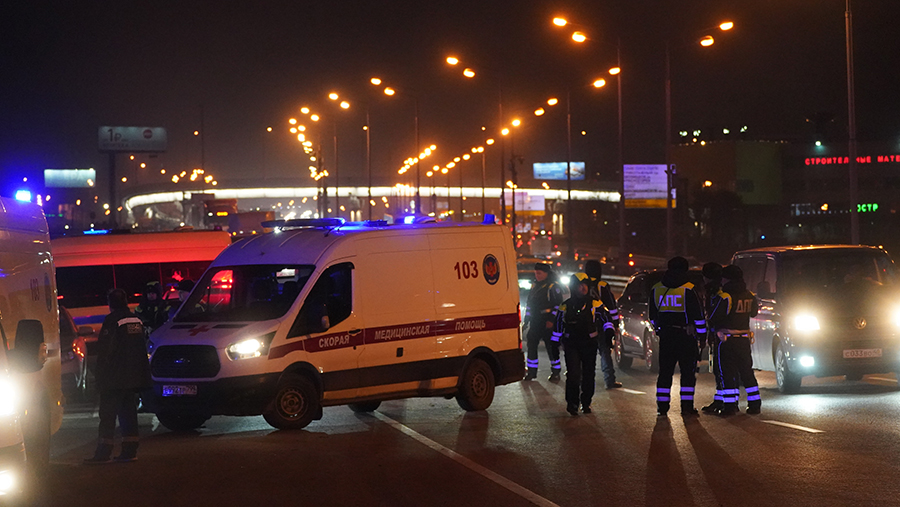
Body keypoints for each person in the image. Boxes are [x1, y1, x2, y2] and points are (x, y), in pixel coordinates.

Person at [84, 288, 153, 464]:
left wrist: (100, 376)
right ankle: (130, 450)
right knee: (129, 414)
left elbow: (105, 350)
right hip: (132, 378)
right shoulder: (136, 320)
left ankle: (103, 452)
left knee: (107, 415)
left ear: (110, 303)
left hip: (114, 378)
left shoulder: (113, 320)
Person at [649, 256, 707, 417]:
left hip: (666, 337)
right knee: (687, 373)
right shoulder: (689, 289)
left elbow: (652, 316)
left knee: (665, 372)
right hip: (686, 337)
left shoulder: (656, 288)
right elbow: (699, 317)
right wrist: (702, 336)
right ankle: (687, 407)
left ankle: (662, 407)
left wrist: (660, 330)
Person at [708, 264, 761, 416]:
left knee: (728, 373)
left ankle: (730, 406)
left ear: (726, 279)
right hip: (744, 340)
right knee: (747, 372)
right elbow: (753, 313)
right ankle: (755, 405)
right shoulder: (749, 295)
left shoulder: (725, 296)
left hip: (727, 340)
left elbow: (714, 317)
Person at [552, 273, 602, 415]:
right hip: (572, 343)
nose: (583, 288)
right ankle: (572, 403)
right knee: (573, 374)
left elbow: (606, 320)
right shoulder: (565, 306)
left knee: (588, 374)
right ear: (574, 287)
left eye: (585, 285)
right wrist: (554, 342)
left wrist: (609, 332)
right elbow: (558, 325)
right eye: (579, 285)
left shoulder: (595, 303)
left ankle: (586, 402)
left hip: (589, 344)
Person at [584, 259, 622, 389]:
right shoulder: (602, 285)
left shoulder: (582, 284)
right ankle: (609, 381)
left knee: (585, 353)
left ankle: (583, 379)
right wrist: (615, 323)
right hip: (600, 323)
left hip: (584, 323)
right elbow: (611, 306)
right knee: (605, 351)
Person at [524, 263, 564, 381]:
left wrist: (551, 320)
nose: (537, 275)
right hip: (535, 320)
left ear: (547, 274)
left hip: (547, 321)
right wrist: (526, 320)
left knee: (551, 347)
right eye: (536, 273)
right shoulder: (534, 286)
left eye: (540, 273)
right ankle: (531, 372)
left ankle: (556, 372)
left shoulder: (553, 287)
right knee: (531, 345)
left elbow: (558, 305)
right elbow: (529, 305)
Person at [699, 262, 725, 413]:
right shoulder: (717, 290)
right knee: (718, 369)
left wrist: (705, 335)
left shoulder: (715, 292)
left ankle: (724, 402)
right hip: (718, 335)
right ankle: (721, 400)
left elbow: (711, 316)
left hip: (719, 336)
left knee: (720, 369)